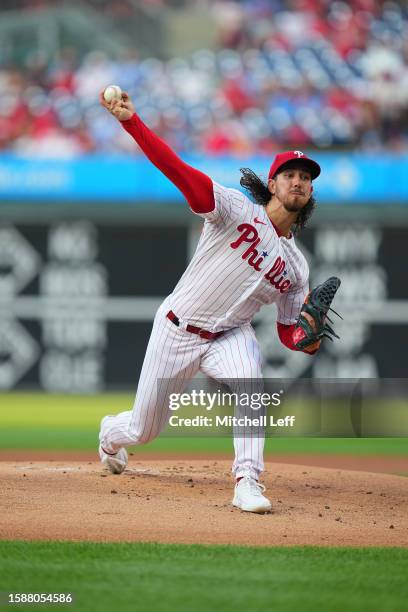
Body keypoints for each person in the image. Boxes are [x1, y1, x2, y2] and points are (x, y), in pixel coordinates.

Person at [98, 90, 322, 514]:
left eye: (306, 178)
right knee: (144, 429)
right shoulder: (235, 209)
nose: (298, 181)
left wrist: (307, 339)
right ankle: (110, 434)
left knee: (251, 386)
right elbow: (177, 170)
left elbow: (289, 333)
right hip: (177, 327)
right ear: (271, 184)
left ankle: (247, 482)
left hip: (229, 335)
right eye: (289, 174)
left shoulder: (297, 267)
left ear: (310, 192)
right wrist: (132, 122)